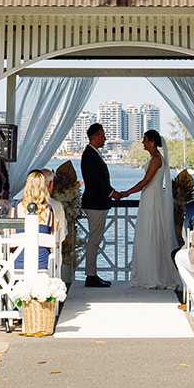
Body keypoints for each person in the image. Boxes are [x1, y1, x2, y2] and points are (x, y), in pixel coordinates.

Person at [115, 128, 180, 290]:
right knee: (148, 233)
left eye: (145, 140)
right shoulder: (155, 158)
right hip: (149, 197)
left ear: (152, 142)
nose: (143, 143)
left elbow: (146, 181)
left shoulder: (157, 159)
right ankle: (148, 272)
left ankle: (153, 275)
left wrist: (126, 193)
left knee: (151, 232)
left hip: (152, 199)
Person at [80, 121, 113, 288]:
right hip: (95, 204)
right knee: (94, 239)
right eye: (102, 135)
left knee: (95, 238)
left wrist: (112, 192)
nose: (105, 138)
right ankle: (91, 275)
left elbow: (101, 182)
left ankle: (91, 274)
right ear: (94, 137)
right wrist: (113, 193)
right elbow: (97, 182)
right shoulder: (89, 155)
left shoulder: (91, 154)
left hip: (96, 202)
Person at [14, 169, 56, 272]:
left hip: (19, 262)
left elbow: (12, 237)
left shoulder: (17, 208)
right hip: (42, 263)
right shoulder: (49, 210)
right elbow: (54, 239)